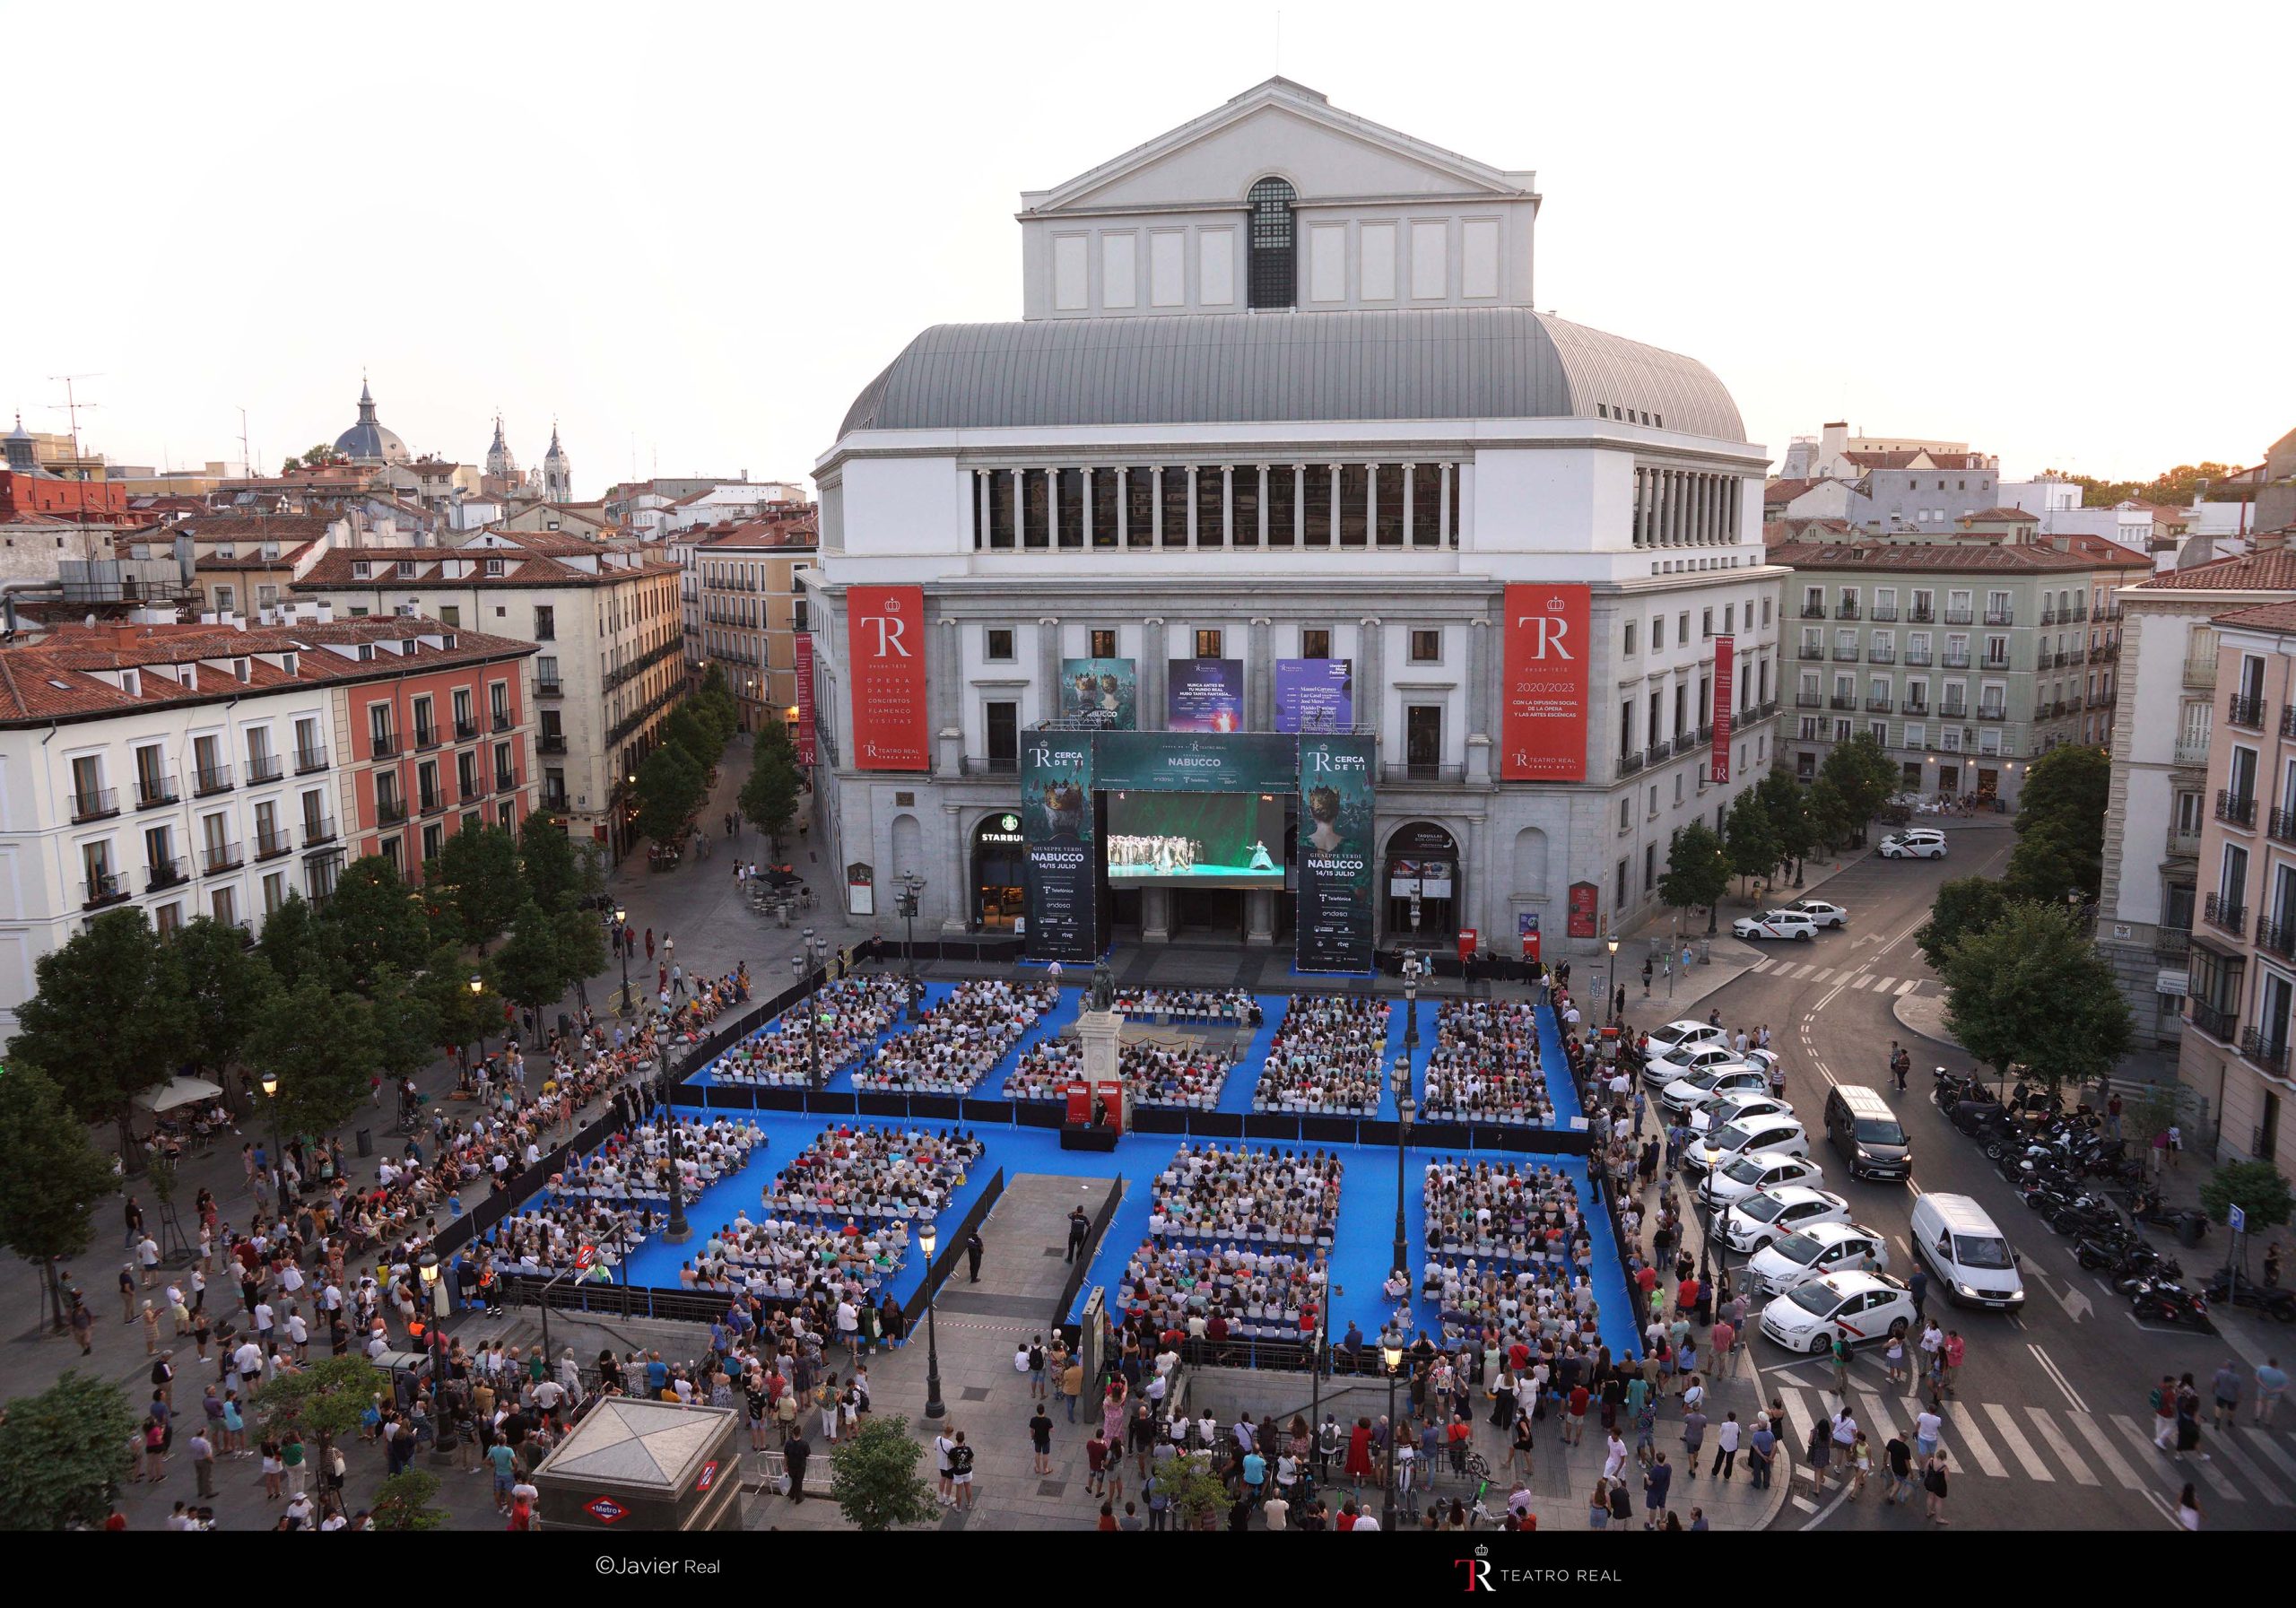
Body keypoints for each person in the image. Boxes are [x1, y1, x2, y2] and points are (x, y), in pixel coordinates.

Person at [2257, 1357, 2287, 1427]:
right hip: (2274, 1395)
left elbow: (2257, 1378)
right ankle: (2267, 1421)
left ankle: (2257, 1416)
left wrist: (2264, 1387)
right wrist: (2275, 1391)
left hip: (2263, 1391)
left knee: (2260, 1402)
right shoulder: (2282, 1375)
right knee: (2270, 1408)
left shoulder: (2262, 1368)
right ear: (2277, 1364)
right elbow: (2285, 1387)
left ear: (2269, 1363)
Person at [783, 1428, 811, 1505]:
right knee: (798, 1482)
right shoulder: (804, 1444)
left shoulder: (788, 1443)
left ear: (793, 1433)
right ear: (800, 1433)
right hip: (800, 1466)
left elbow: (785, 1455)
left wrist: (785, 1465)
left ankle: (791, 1495)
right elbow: (808, 1454)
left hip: (791, 1466)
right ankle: (798, 1498)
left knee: (792, 1480)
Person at [1922, 1451, 1950, 1524]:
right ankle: (1938, 1518)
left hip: (1930, 1482)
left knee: (1930, 1497)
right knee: (1938, 1501)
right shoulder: (1944, 1467)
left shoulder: (1931, 1460)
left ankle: (1929, 1512)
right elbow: (1947, 1479)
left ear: (1937, 1455)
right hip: (1939, 1485)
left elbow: (1925, 1469)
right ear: (1944, 1458)